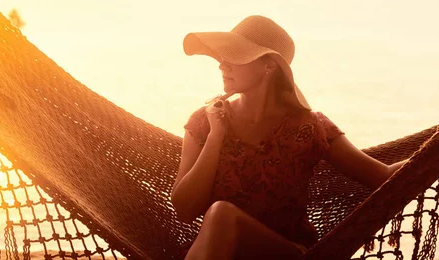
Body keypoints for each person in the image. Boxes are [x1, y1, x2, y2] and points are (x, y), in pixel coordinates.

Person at [170, 15, 407, 260]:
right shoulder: (204, 122)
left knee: (222, 215)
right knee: (221, 218)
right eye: (222, 56)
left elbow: (383, 176)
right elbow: (184, 210)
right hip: (219, 252)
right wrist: (216, 137)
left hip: (287, 253)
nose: (222, 65)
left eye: (235, 55)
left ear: (269, 66)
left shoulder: (309, 127)